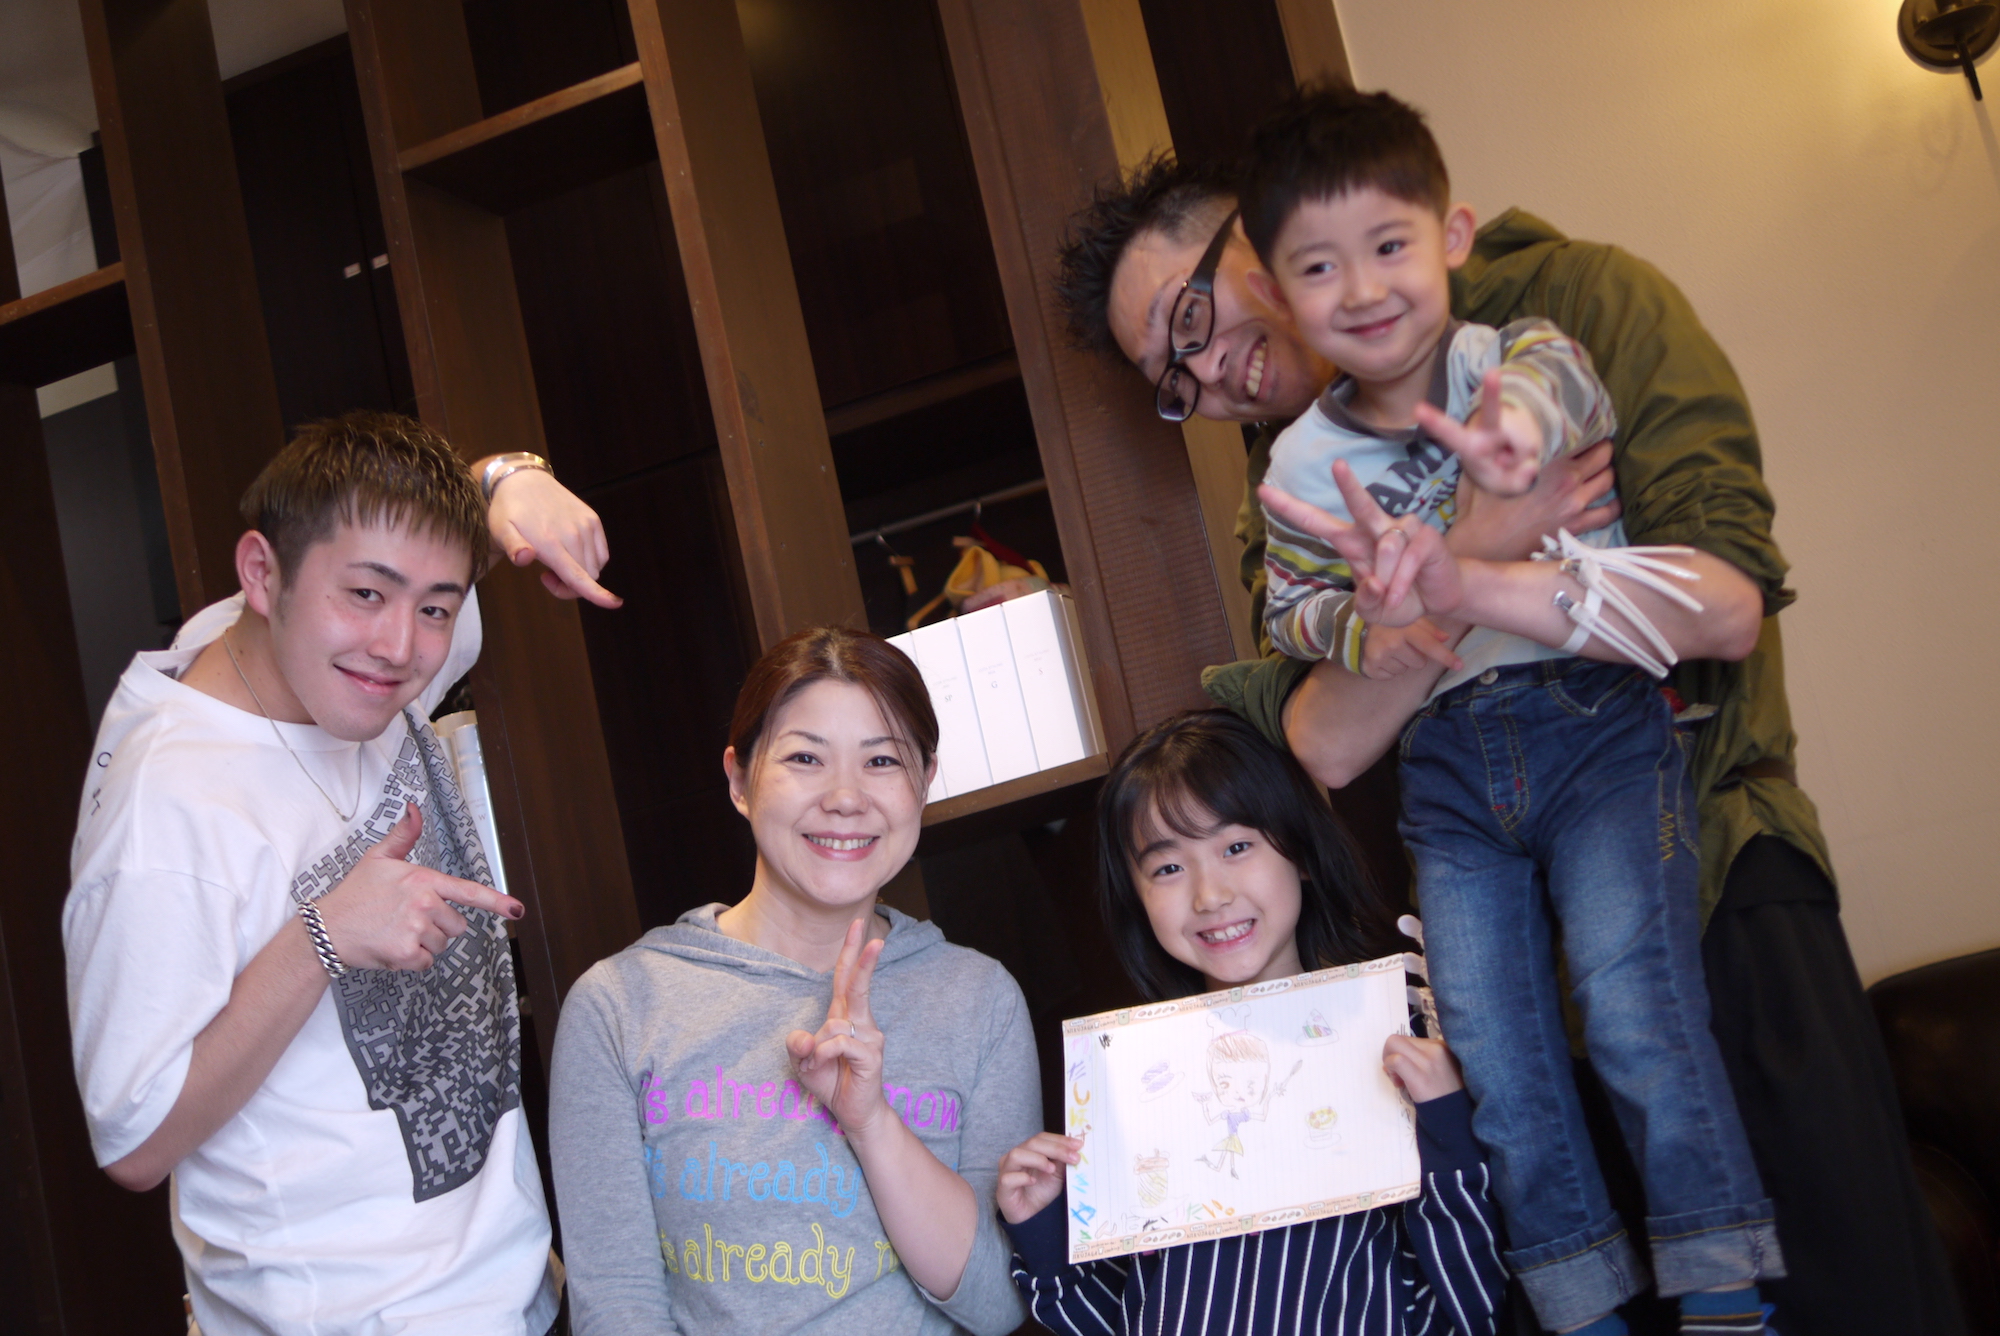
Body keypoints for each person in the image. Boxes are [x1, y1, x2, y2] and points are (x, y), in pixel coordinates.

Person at [1052, 146, 1964, 1336]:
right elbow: (1325, 738)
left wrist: (1424, 601)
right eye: (1171, 376)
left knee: (1844, 1296)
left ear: (1262, 237)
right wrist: (1482, 547)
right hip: (1506, 953)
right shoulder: (1290, 493)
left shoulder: (1569, 307)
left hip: (1709, 874)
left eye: (1192, 317)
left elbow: (1717, 605)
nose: (1208, 371)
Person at [1240, 87, 1783, 1336]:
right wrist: (1368, 622)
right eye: (1317, 266)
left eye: (1388, 244)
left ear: (1451, 236)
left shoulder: (1521, 355)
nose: (1361, 288)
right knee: (1495, 1062)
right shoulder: (1295, 469)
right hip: (1444, 772)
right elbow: (1295, 616)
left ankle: (1721, 1295)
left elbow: (1551, 401)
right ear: (1275, 290)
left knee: (1636, 1012)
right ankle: (1580, 1307)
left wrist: (1505, 444)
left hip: (1594, 727)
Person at [63, 411, 621, 1334]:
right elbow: (135, 1140)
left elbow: (420, 539)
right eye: (365, 594)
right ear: (260, 575)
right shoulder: (166, 810)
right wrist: (323, 936)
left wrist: (508, 478)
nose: (400, 647)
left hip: (515, 1292)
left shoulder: (328, 653)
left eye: (435, 608)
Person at [548, 626, 1038, 1334]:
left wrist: (871, 1123)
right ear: (739, 779)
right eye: (805, 758)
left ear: (925, 781)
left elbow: (998, 1304)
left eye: (881, 761)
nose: (845, 797)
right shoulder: (619, 1007)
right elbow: (618, 1307)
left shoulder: (981, 1000)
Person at [997, 710, 1505, 1335]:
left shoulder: (1402, 1049)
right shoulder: (1133, 1091)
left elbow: (1468, 1304)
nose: (1209, 895)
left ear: (1302, 852)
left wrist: (1448, 1130)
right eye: (1167, 868)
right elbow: (1126, 1320)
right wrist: (1044, 1230)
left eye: (1236, 847)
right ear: (1136, 899)